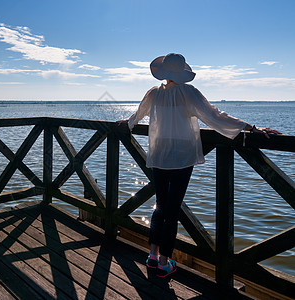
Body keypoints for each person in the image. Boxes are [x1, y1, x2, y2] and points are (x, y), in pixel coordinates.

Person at [117, 53, 280, 278]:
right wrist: (250, 128)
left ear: (164, 72)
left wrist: (127, 123)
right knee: (172, 210)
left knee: (160, 205)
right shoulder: (188, 92)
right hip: (182, 157)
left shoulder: (153, 93)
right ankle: (164, 262)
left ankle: (152, 256)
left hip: (160, 155)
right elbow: (214, 115)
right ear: (181, 73)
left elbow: (136, 116)